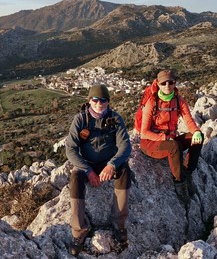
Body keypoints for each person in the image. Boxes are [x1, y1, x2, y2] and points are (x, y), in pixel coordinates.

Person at [65, 84, 132, 255]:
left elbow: (125, 145)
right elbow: (70, 149)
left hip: (109, 162)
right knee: (75, 178)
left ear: (108, 102)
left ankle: (119, 223)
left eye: (103, 100)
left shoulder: (115, 119)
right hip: (86, 163)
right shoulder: (81, 120)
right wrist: (87, 170)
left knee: (124, 170)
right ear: (89, 101)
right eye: (95, 99)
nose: (99, 103)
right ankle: (78, 232)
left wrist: (112, 165)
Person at [139, 69, 203, 199]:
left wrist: (196, 131)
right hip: (151, 143)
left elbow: (188, 120)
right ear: (158, 84)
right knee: (174, 146)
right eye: (163, 83)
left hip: (170, 140)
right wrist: (164, 137)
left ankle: (187, 171)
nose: (167, 86)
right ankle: (180, 183)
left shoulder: (178, 100)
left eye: (171, 82)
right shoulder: (152, 102)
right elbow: (144, 132)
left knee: (198, 138)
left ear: (175, 83)